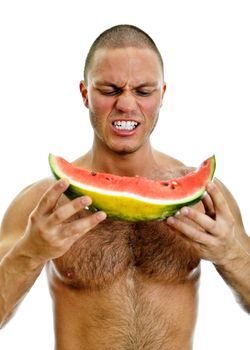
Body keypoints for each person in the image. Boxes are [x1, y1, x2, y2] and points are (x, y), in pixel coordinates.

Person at [0, 24, 249, 349]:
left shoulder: (207, 199)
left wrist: (231, 254)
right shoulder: (44, 204)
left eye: (144, 92)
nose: (127, 105)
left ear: (162, 94)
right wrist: (30, 252)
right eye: (110, 90)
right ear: (85, 93)